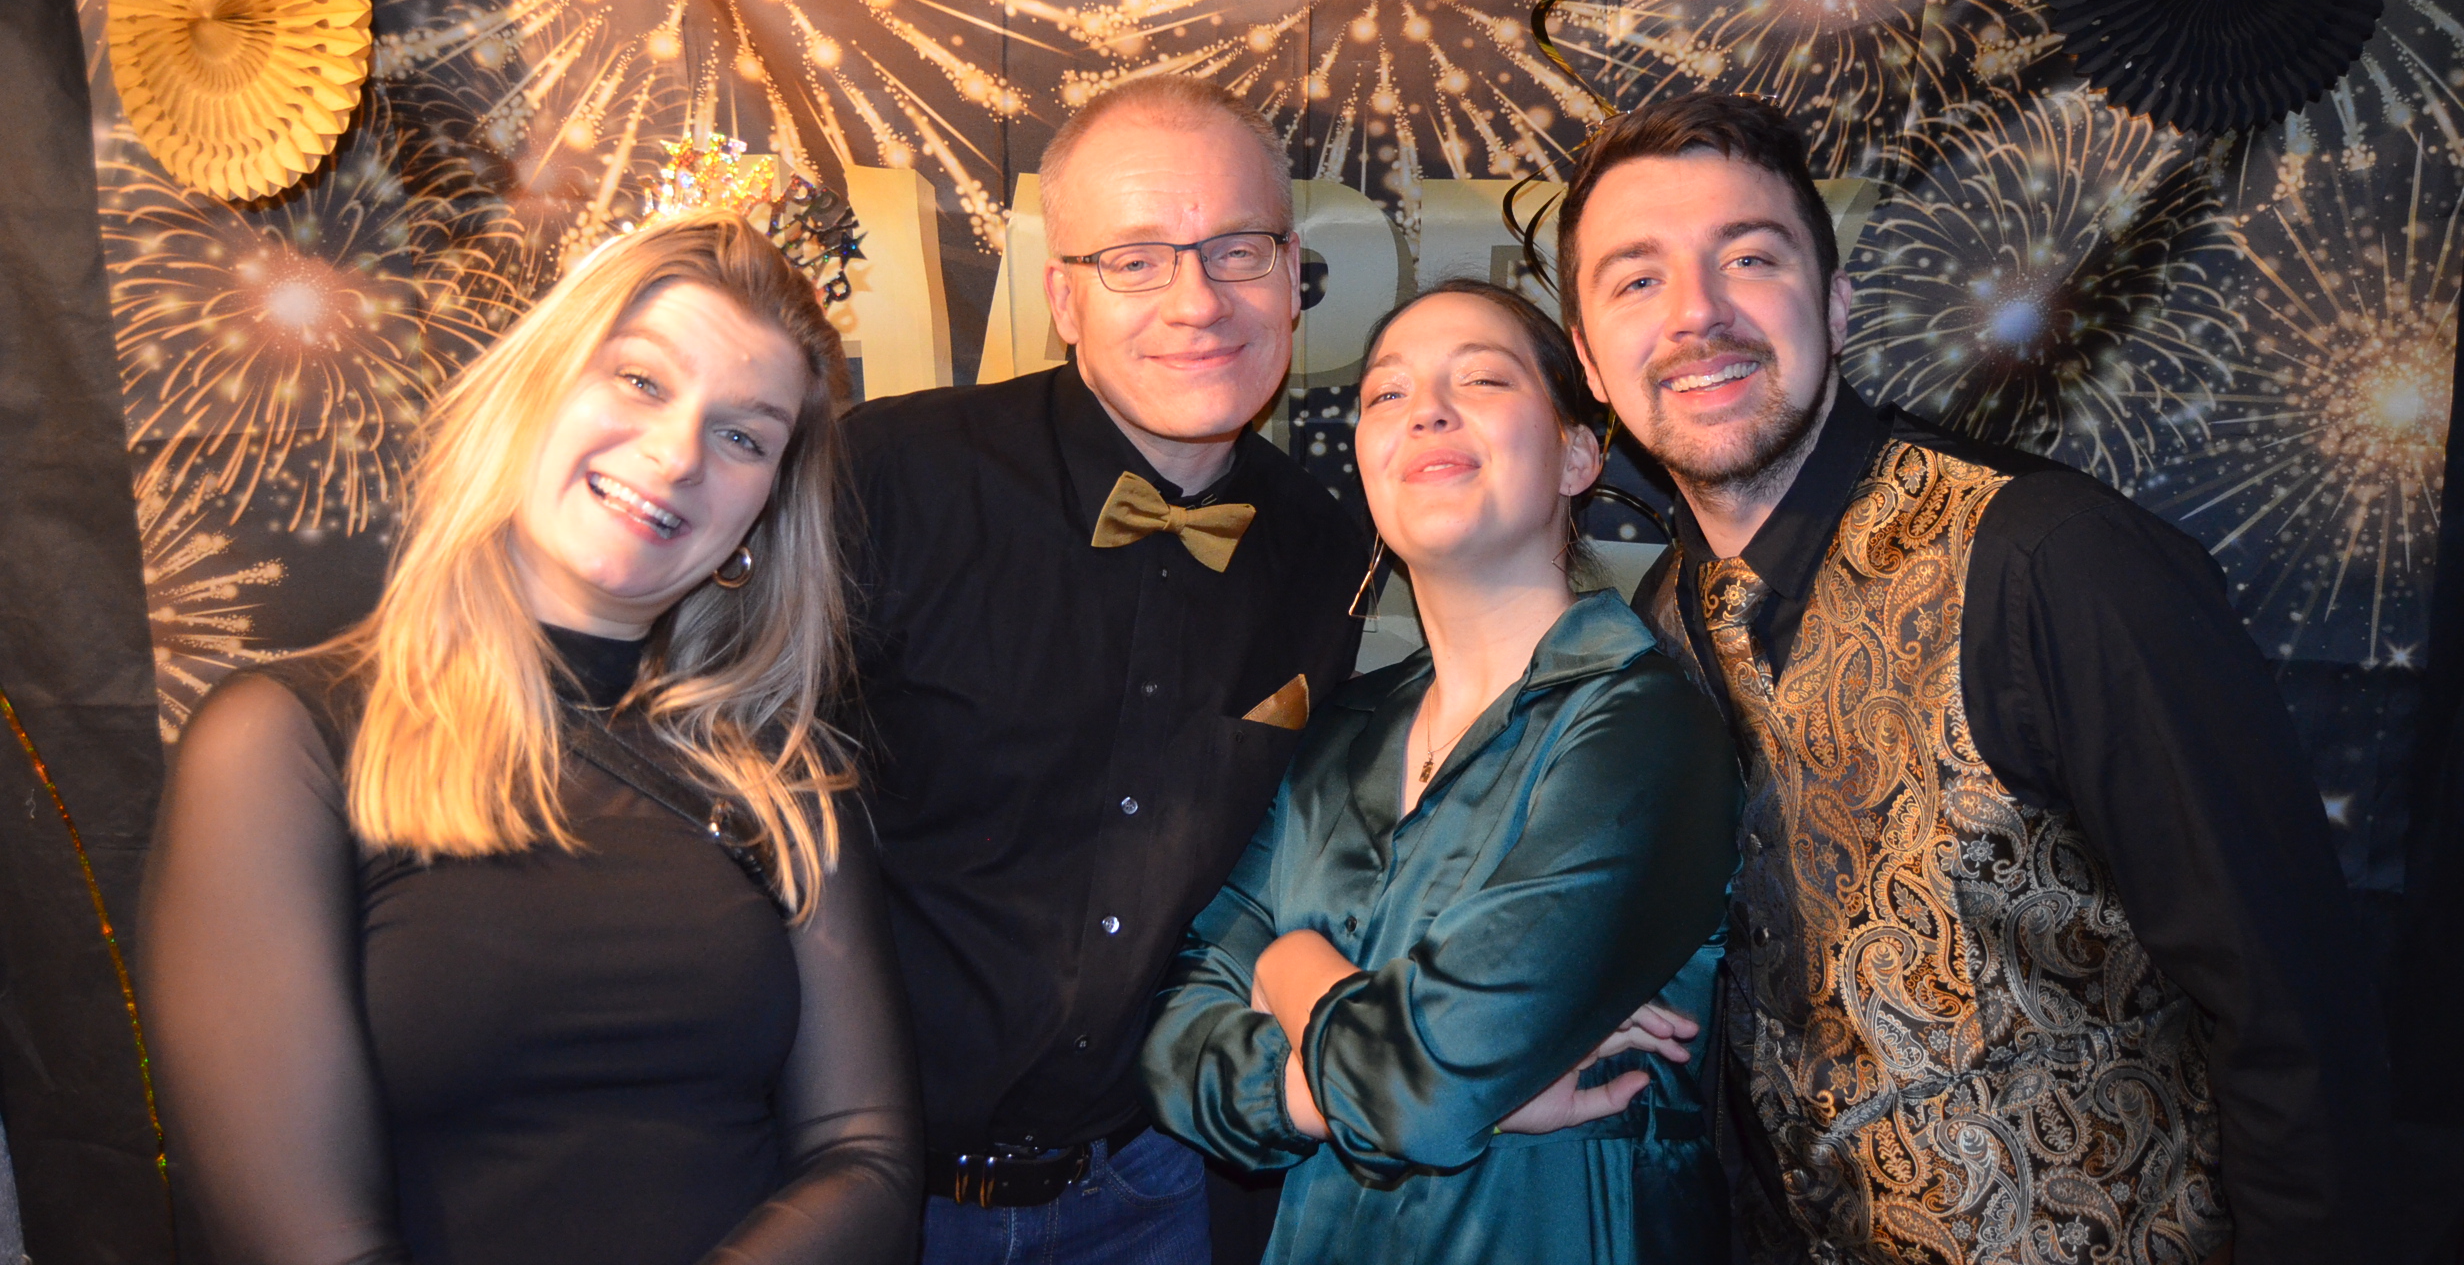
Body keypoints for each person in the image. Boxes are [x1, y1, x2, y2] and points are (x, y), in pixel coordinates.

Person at [1556, 92, 2391, 1265]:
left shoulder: (2052, 564)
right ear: (1589, 362)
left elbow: (2294, 1016)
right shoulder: (1659, 636)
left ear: (1834, 304)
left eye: (1750, 257)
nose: (1697, 312)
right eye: (1637, 279)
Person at [139, 216, 921, 1265]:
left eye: (744, 436)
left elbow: (864, 1156)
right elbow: (302, 1241)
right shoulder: (287, 745)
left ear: (762, 516)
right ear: (533, 391)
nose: (677, 454)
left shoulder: (780, 781)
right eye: (640, 380)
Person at [839, 76, 1368, 1264]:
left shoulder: (1327, 549)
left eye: (1236, 250)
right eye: (1136, 261)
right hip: (878, 1203)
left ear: (1291, 275)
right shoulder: (889, 476)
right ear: (1062, 297)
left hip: (1155, 1197)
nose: (1197, 301)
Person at [1138, 280, 1741, 1264]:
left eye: (1483, 380)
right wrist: (1366, 1085)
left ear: (1578, 454)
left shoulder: (1643, 727)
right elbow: (1173, 1042)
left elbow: (1428, 1089)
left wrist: (1289, 966)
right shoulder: (1338, 731)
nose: (1426, 411)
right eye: (1387, 393)